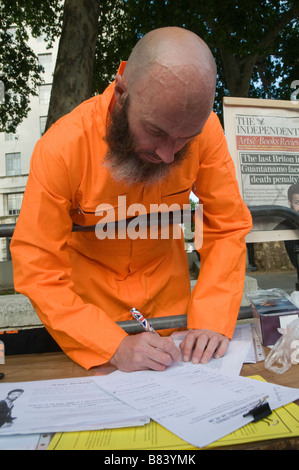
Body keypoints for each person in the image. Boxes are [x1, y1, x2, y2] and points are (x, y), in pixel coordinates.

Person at [10, 27, 252, 372]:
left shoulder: (207, 131)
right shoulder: (61, 148)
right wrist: (110, 344)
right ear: (122, 92)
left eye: (186, 138)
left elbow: (227, 226)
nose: (169, 155)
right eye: (156, 132)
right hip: (94, 329)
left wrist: (213, 318)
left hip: (178, 325)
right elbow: (37, 265)